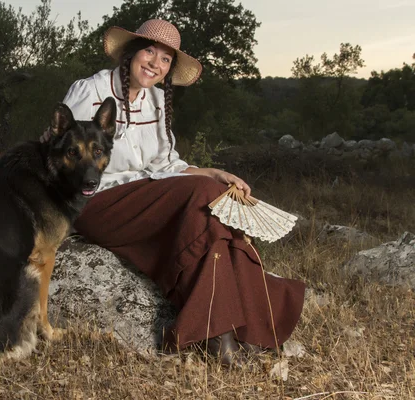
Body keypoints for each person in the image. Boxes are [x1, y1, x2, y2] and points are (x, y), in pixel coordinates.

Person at [49, 19, 305, 367]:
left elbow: (165, 165)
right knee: (202, 193)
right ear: (131, 53)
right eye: (149, 51)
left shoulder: (155, 101)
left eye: (166, 59)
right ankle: (228, 334)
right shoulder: (91, 92)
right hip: (96, 203)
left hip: (143, 199)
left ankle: (224, 336)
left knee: (211, 206)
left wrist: (215, 172)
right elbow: (56, 154)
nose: (155, 63)